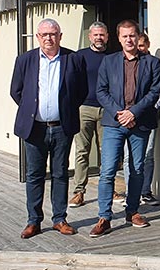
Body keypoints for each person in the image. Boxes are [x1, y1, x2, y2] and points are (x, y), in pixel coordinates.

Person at [10, 18, 88, 238]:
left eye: (53, 34)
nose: (48, 38)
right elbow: (16, 91)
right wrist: (33, 111)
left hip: (62, 127)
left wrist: (63, 110)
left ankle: (59, 219)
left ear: (60, 36)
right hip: (34, 128)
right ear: (37, 37)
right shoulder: (25, 60)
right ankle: (33, 221)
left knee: (60, 173)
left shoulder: (73, 59)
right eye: (44, 34)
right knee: (34, 175)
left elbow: (81, 91)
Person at [89, 19, 160, 237]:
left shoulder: (152, 63)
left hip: (140, 122)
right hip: (114, 123)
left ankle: (133, 211)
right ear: (119, 38)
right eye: (125, 36)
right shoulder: (109, 62)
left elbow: (154, 91)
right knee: (108, 170)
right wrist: (120, 113)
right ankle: (104, 217)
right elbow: (101, 91)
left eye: (132, 35)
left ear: (138, 37)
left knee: (137, 168)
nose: (129, 39)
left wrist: (134, 112)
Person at [122, 32, 160, 206]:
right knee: (129, 157)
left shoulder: (158, 66)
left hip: (149, 118)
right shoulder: (126, 63)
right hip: (128, 119)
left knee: (148, 155)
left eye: (142, 45)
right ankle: (130, 192)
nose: (139, 48)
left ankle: (145, 191)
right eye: (137, 45)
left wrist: (150, 109)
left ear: (148, 45)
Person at [69, 21, 112, 208]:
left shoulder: (113, 57)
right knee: (82, 151)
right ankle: (79, 191)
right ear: (90, 37)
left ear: (107, 36)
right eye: (96, 35)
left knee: (107, 152)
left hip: (107, 110)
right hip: (84, 109)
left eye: (102, 35)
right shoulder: (80, 57)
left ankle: (109, 189)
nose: (99, 38)